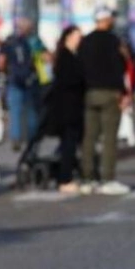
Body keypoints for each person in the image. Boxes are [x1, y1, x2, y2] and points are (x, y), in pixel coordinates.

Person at [78, 7, 131, 196]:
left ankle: (87, 178)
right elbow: (120, 67)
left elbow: (80, 67)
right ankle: (107, 178)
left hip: (89, 93)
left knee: (89, 137)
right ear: (107, 20)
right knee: (109, 138)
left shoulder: (85, 41)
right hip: (109, 93)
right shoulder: (113, 41)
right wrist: (124, 93)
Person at [44, 26, 86, 194]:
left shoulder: (69, 55)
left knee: (69, 144)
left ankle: (66, 175)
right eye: (77, 36)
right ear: (68, 37)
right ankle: (64, 178)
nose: (79, 39)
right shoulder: (66, 57)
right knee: (68, 144)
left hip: (70, 107)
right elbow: (69, 81)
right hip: (67, 109)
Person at [0, 18, 48, 150]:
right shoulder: (34, 41)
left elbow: (1, 62)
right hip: (31, 80)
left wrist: (6, 71)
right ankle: (32, 140)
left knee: (15, 111)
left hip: (14, 80)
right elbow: (46, 58)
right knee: (31, 112)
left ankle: (16, 139)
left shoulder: (9, 42)